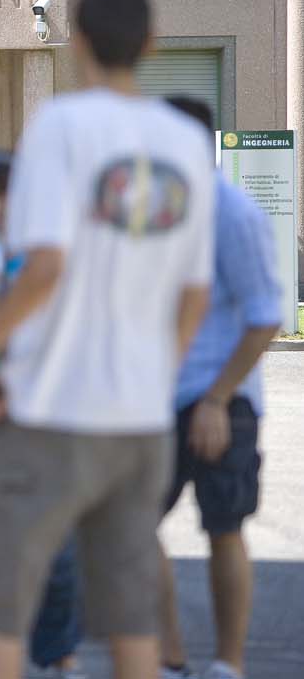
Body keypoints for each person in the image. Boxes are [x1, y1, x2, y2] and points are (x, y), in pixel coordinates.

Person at [0, 0, 216, 679]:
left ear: (76, 42)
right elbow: (195, 289)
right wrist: (161, 371)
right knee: (130, 620)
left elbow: (43, 267)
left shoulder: (59, 127)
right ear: (151, 44)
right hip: (140, 417)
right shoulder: (188, 142)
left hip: (51, 408)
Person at [157, 97, 281, 679]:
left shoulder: (233, 214)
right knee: (131, 525)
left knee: (224, 527)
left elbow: (265, 318)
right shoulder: (156, 212)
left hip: (222, 402)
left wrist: (216, 399)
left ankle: (227, 666)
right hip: (158, 401)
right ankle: (170, 658)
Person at [0, 151, 85, 679]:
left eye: (4, 194)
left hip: (46, 415)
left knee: (57, 548)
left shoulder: (48, 258)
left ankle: (59, 651)